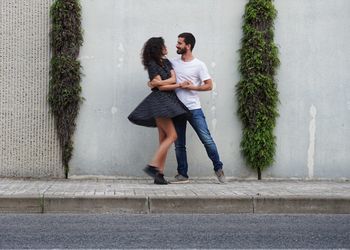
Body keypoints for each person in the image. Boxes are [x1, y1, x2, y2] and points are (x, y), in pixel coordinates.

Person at [150, 33, 226, 183]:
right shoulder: (172, 63)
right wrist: (153, 82)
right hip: (176, 109)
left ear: (188, 46)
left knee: (207, 139)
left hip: (193, 109)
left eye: (179, 43)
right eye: (177, 42)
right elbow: (156, 73)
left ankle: (218, 168)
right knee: (179, 144)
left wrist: (192, 87)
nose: (176, 46)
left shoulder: (199, 65)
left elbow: (209, 85)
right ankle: (182, 174)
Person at [128, 37, 190, 185]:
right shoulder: (152, 64)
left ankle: (159, 175)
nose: (166, 47)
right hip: (159, 102)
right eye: (163, 45)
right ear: (158, 48)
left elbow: (171, 80)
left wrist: (160, 82)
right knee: (173, 135)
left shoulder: (167, 62)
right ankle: (152, 165)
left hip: (167, 101)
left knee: (164, 139)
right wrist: (170, 84)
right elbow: (162, 88)